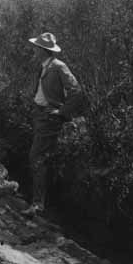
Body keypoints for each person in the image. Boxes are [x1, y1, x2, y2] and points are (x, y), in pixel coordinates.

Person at [21, 32, 84, 217]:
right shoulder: (43, 66)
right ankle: (41, 202)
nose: (34, 50)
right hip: (39, 115)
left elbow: (77, 91)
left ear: (43, 50)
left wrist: (62, 112)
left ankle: (38, 205)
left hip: (49, 117)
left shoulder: (58, 66)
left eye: (37, 48)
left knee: (37, 157)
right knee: (41, 157)